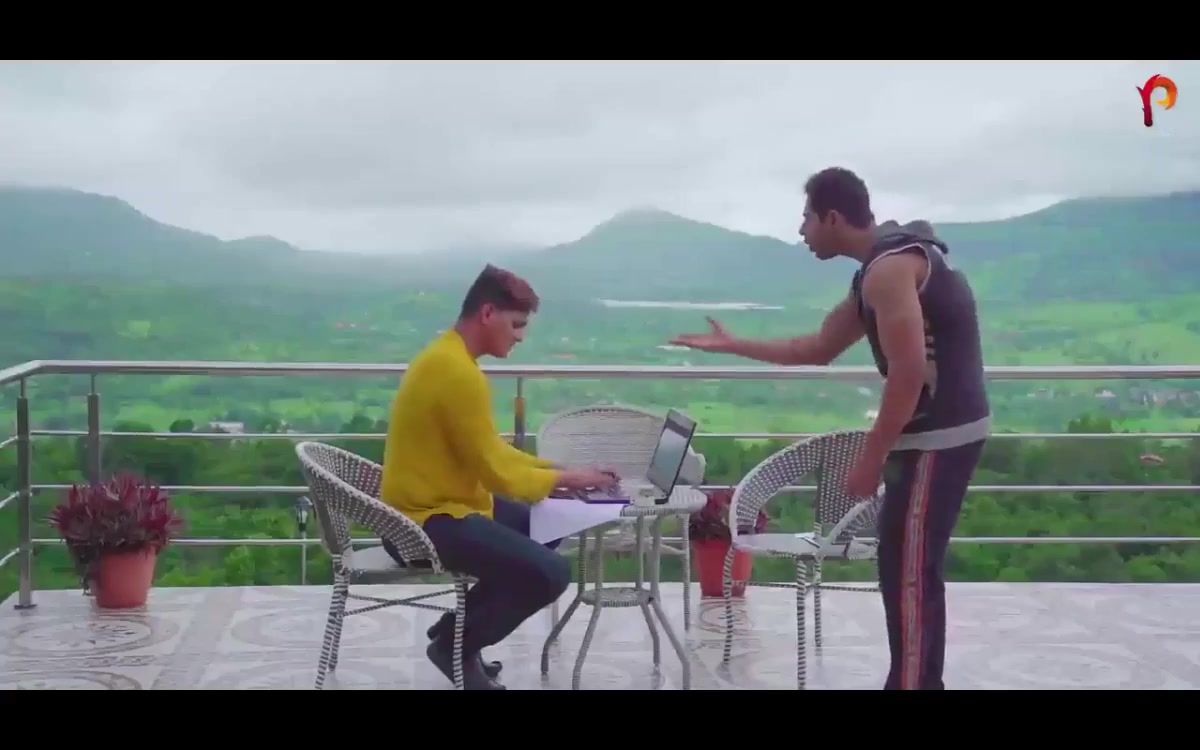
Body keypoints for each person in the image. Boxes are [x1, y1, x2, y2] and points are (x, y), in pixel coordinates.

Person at [670, 167, 989, 690]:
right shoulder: (878, 270)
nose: (801, 231)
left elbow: (909, 373)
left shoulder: (888, 270)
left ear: (833, 218)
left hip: (938, 438)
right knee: (908, 570)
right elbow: (816, 348)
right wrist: (733, 345)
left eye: (807, 218)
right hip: (940, 433)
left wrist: (869, 461)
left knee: (909, 575)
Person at [379, 263, 619, 690]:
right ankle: (454, 646)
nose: (520, 336)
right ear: (488, 313)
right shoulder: (456, 372)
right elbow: (495, 471)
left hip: (439, 506)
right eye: (517, 324)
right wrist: (569, 482)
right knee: (549, 573)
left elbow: (490, 450)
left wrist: (561, 473)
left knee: (542, 528)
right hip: (421, 522)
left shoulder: (448, 357)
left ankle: (457, 634)